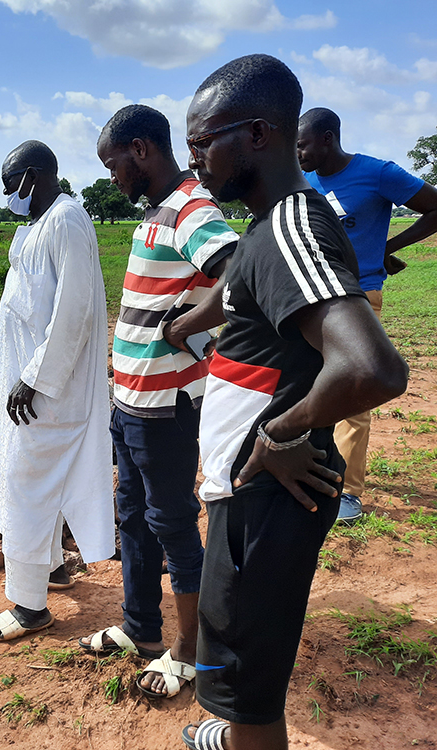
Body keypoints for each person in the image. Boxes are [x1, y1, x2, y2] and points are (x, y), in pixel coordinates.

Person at [181, 54, 408, 750]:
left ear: (258, 135)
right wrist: (185, 322)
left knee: (246, 679)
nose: (195, 161)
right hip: (245, 487)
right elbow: (241, 290)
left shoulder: (289, 227)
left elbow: (372, 369)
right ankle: (231, 731)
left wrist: (281, 431)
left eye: (202, 142)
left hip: (266, 490)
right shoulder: (266, 226)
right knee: (235, 664)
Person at [78, 105, 238, 700]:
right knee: (134, 519)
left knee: (171, 524)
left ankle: (191, 651)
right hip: (132, 401)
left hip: (168, 404)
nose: (112, 175)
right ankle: (140, 629)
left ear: (140, 149)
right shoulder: (156, 213)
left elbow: (240, 271)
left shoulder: (191, 208)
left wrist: (191, 323)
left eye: (112, 163)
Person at [0, 140, 113, 642]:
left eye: (10, 183)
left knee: (27, 484)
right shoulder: (36, 226)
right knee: (40, 480)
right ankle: (51, 568)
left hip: (48, 391)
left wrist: (35, 377)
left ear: (33, 176)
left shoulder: (67, 219)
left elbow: (73, 309)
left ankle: (29, 607)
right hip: (32, 388)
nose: (8, 194)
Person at [297, 107, 437, 524]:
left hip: (359, 295)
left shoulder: (378, 173)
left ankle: (349, 492)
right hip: (310, 296)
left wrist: (386, 248)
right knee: (307, 385)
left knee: (353, 389)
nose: (298, 154)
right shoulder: (303, 182)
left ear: (327, 138)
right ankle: (314, 469)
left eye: (302, 145)